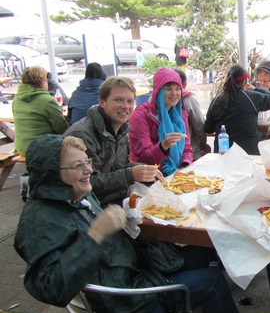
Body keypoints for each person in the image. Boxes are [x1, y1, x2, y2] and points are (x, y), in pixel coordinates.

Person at [14, 134, 243, 313]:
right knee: (212, 281)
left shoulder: (76, 195)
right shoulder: (40, 221)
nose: (89, 170)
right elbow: (51, 288)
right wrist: (96, 235)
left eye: (87, 162)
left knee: (200, 253)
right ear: (52, 174)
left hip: (131, 277)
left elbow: (105, 245)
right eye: (77, 166)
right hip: (123, 307)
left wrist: (126, 227)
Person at [65, 76, 163, 207]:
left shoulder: (121, 130)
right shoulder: (83, 135)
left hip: (115, 199)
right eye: (118, 100)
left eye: (129, 101)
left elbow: (117, 168)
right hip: (90, 207)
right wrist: (130, 175)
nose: (125, 106)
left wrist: (144, 170)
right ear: (102, 102)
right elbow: (87, 183)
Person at [128, 68, 193, 176]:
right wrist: (164, 145)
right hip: (148, 176)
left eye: (177, 89)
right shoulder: (141, 115)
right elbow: (144, 157)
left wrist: (184, 166)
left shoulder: (180, 114)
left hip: (176, 173)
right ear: (158, 90)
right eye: (168, 89)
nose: (174, 93)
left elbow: (186, 148)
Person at [204, 64, 270, 155]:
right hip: (249, 153)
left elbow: (208, 129)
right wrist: (255, 89)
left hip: (223, 153)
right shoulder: (252, 98)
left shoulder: (216, 100)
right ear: (244, 82)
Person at [12, 65, 68, 156]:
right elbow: (61, 127)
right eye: (46, 80)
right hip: (41, 147)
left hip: (21, 147)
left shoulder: (16, 100)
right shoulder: (47, 100)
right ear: (41, 81)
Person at [172, 68, 210, 161]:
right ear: (185, 85)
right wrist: (202, 143)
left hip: (174, 153)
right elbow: (199, 125)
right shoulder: (187, 98)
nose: (174, 94)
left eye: (177, 89)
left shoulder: (154, 99)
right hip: (189, 153)